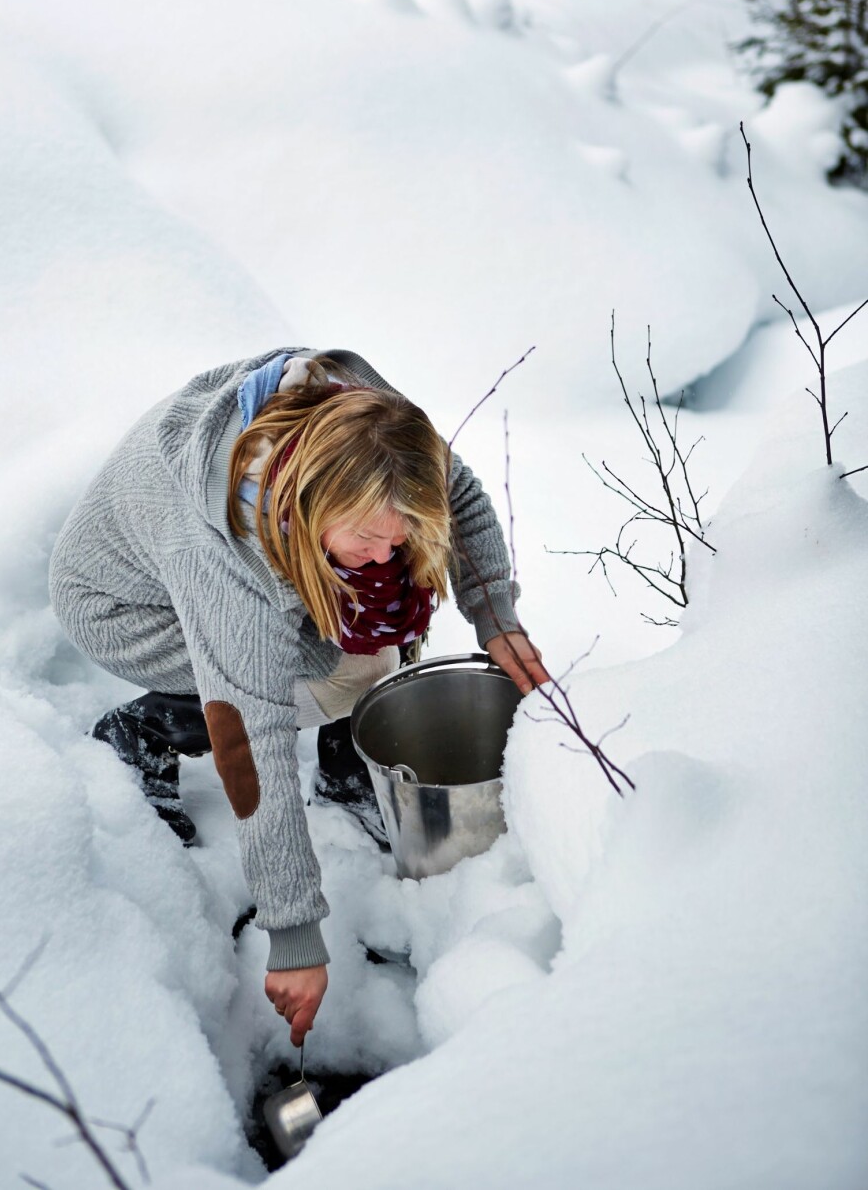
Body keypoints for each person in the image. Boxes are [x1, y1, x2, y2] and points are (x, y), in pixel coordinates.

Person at [49, 347, 548, 1046]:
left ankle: (350, 758)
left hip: (248, 556)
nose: (387, 549)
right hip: (123, 604)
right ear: (312, 504)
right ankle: (149, 728)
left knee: (385, 601)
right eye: (370, 535)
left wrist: (496, 618)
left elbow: (455, 498)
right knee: (314, 676)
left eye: (397, 530)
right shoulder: (225, 555)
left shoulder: (373, 426)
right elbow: (252, 735)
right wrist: (294, 931)